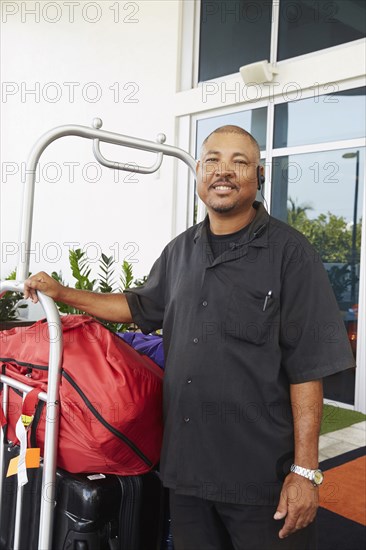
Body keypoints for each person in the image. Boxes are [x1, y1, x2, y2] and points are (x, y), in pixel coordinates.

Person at [24, 126, 355, 550]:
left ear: (259, 175)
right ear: (199, 171)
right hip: (186, 475)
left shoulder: (291, 254)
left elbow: (307, 368)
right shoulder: (180, 251)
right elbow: (138, 306)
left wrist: (305, 472)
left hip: (261, 481)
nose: (224, 171)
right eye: (214, 160)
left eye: (239, 161)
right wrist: (64, 294)